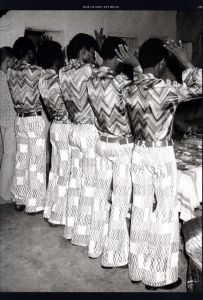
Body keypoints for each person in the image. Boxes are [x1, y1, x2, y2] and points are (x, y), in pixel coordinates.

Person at [115, 38, 202, 289]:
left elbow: (138, 83)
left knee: (141, 208)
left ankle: (138, 267)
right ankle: (160, 276)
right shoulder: (167, 88)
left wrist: (135, 68)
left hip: (138, 152)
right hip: (161, 154)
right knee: (165, 212)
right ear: (163, 62)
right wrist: (185, 61)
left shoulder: (128, 88)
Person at [86, 37, 142, 268]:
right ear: (120, 53)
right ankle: (114, 255)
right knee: (119, 201)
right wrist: (137, 65)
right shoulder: (121, 81)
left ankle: (95, 246)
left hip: (102, 142)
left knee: (100, 197)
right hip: (121, 146)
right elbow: (143, 96)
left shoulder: (91, 78)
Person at [59, 33, 99, 246]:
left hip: (73, 130)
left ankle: (71, 228)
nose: (93, 57)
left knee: (75, 182)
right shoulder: (89, 71)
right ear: (83, 51)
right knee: (90, 184)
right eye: (91, 52)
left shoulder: (62, 71)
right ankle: (85, 234)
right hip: (90, 131)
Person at [8, 37, 46, 213]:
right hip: (34, 119)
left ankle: (19, 199)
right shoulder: (37, 71)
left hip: (19, 120)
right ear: (30, 52)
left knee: (21, 159)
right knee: (36, 161)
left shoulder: (10, 71)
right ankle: (35, 203)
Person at [37, 40, 71, 225]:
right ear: (56, 58)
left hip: (54, 127)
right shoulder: (59, 79)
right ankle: (59, 214)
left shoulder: (42, 79)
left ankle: (51, 210)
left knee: (56, 171)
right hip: (65, 128)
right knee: (65, 172)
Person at [0, 47, 16, 203]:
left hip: (2, 121)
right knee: (9, 157)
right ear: (8, 60)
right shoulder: (6, 79)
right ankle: (5, 193)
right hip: (10, 121)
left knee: (5, 155)